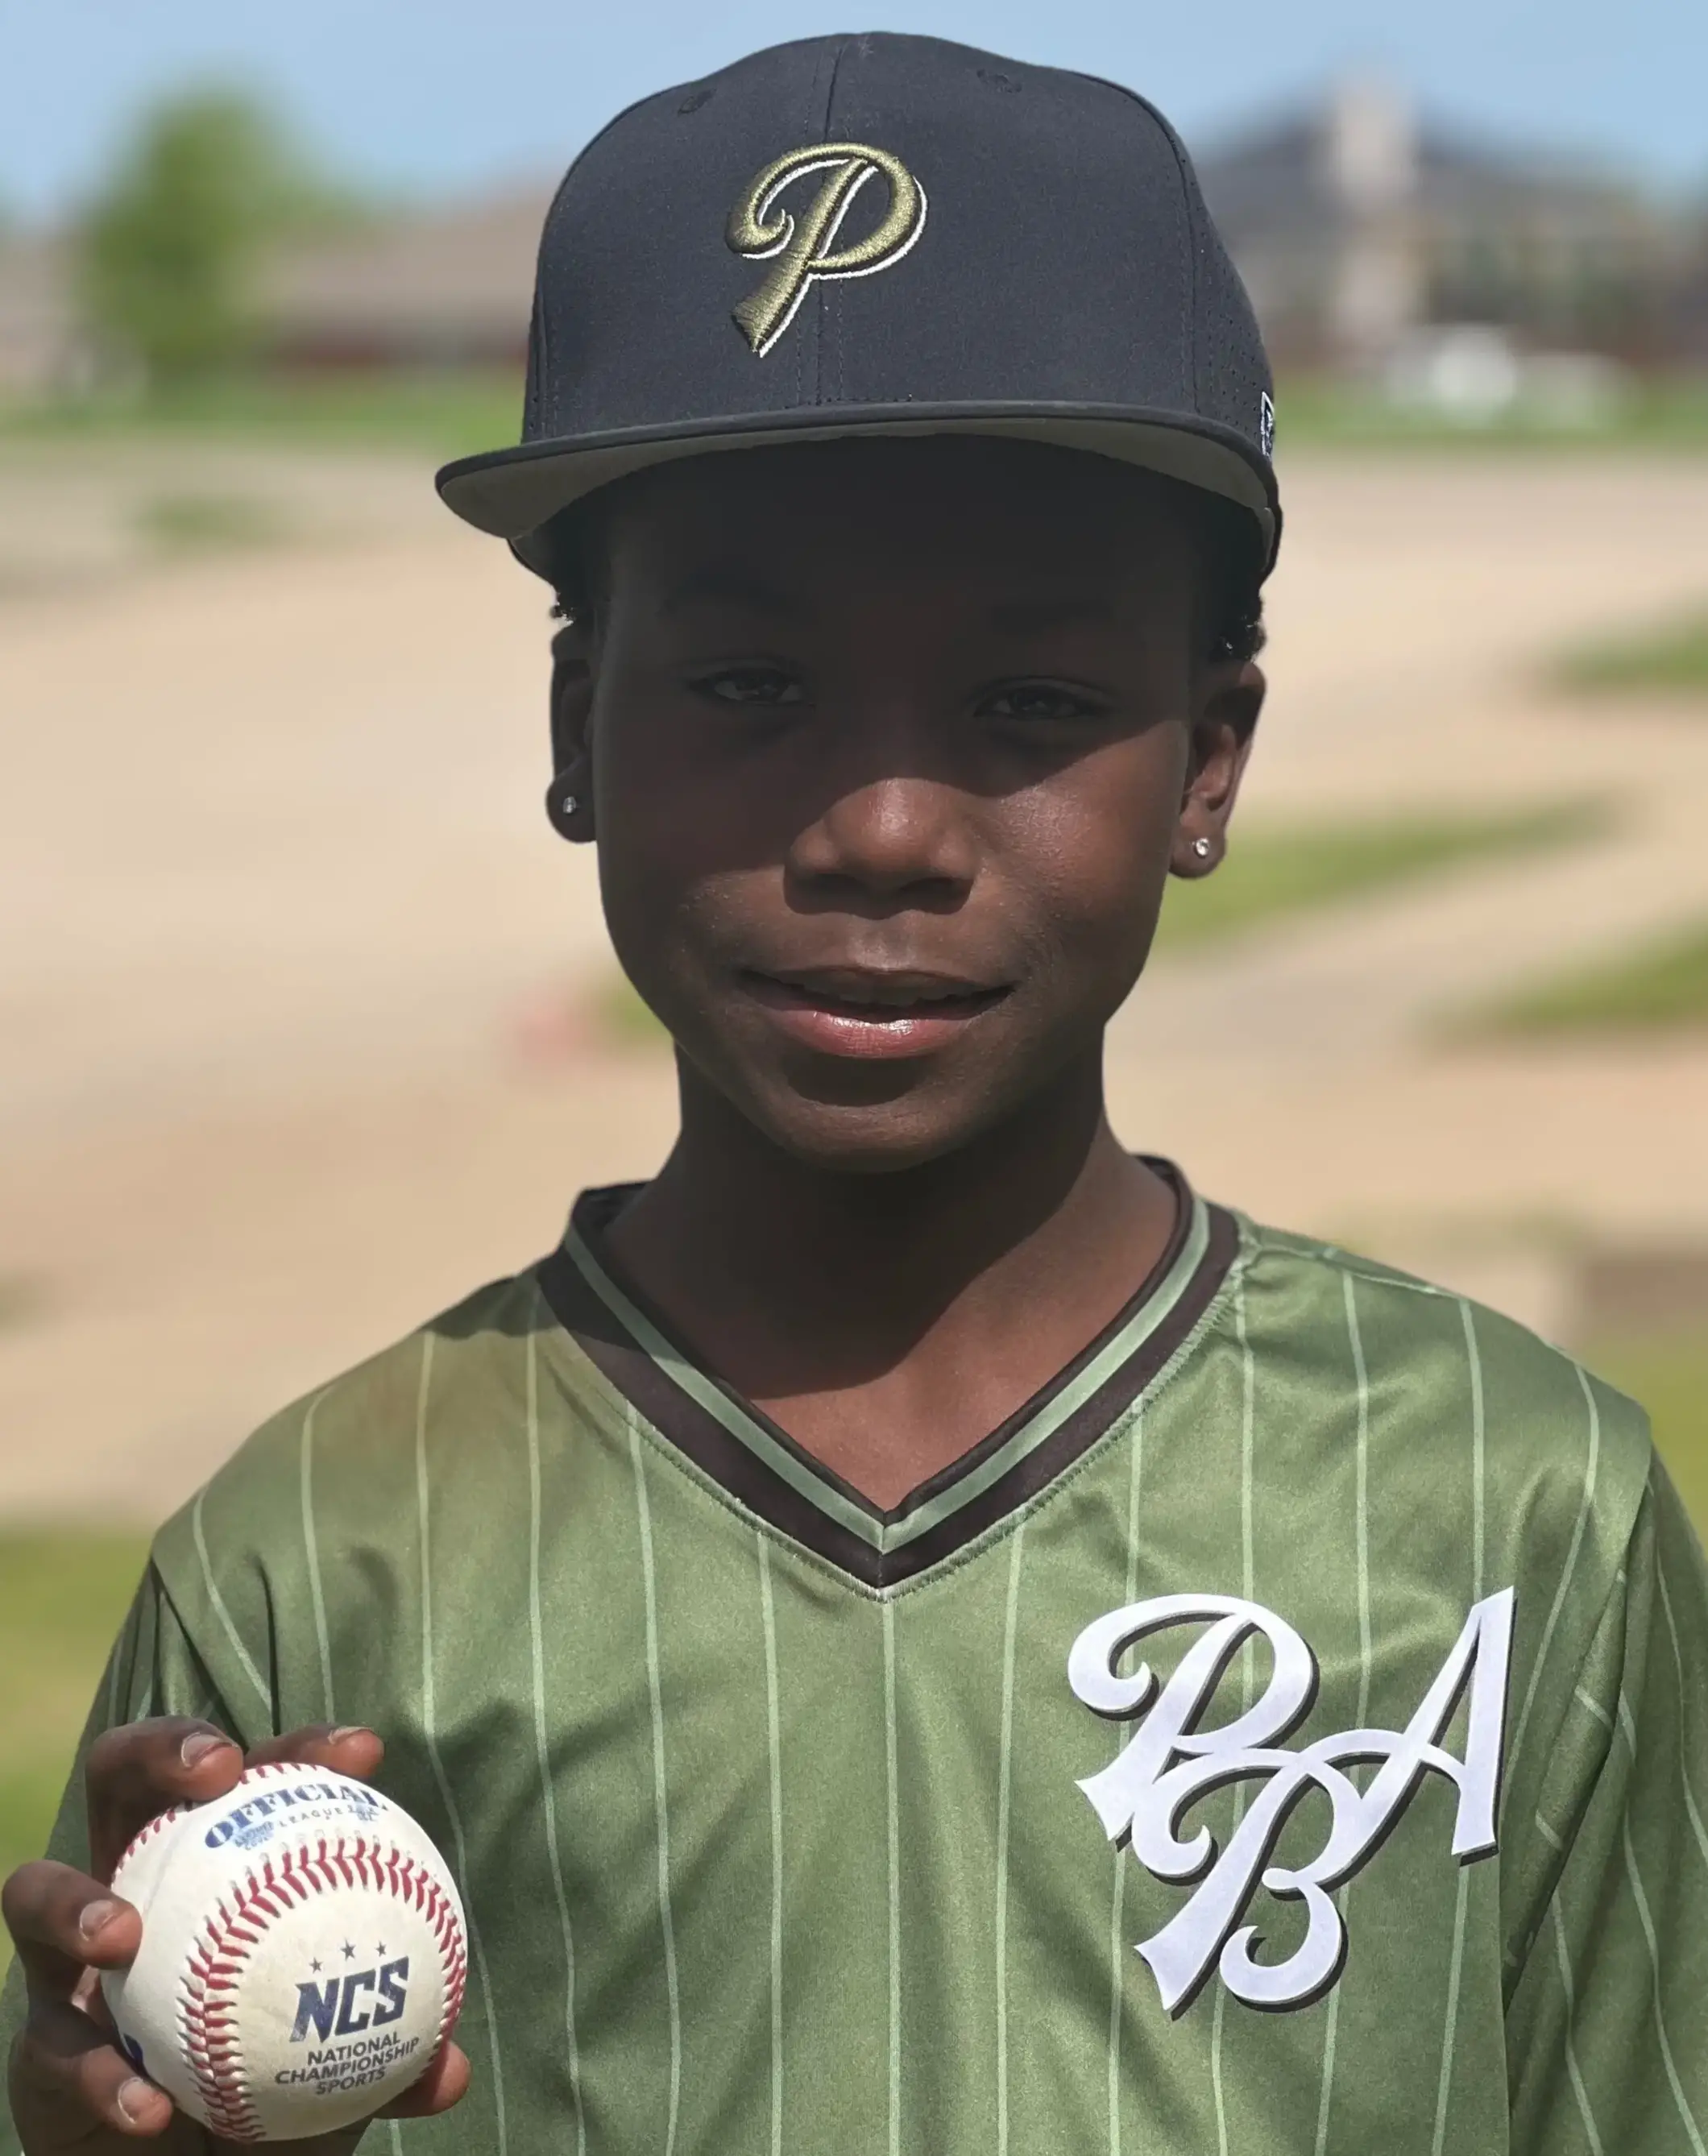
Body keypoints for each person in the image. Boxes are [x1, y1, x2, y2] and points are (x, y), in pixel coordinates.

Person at [5, 31, 1706, 2156]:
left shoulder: (1512, 1510)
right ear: (576, 729)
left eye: (1029, 700)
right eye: (749, 683)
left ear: (1208, 759)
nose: (885, 827)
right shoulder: (320, 1564)